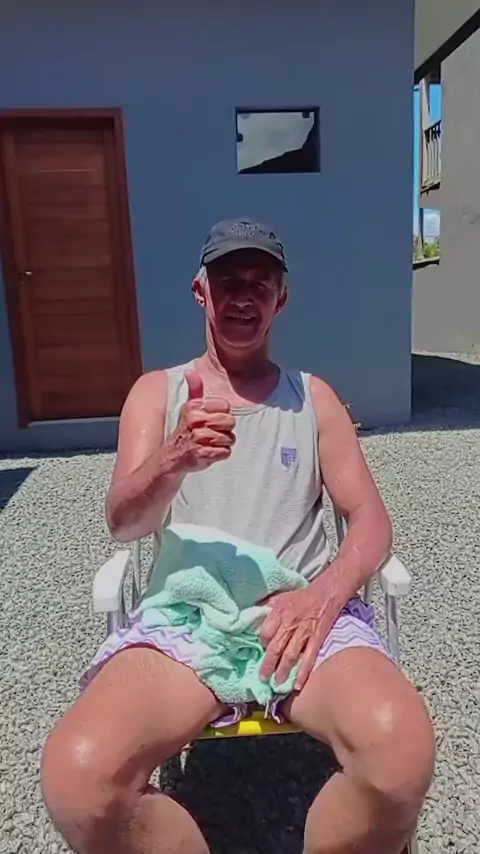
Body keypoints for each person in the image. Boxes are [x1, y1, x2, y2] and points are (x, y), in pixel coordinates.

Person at [41, 218, 435, 854]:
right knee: (79, 780)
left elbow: (371, 519)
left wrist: (325, 595)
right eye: (229, 282)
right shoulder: (157, 394)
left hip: (302, 616)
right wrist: (173, 458)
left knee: (401, 754)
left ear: (282, 298)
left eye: (261, 283)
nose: (244, 297)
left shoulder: (314, 399)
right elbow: (124, 523)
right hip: (189, 621)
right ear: (202, 290)